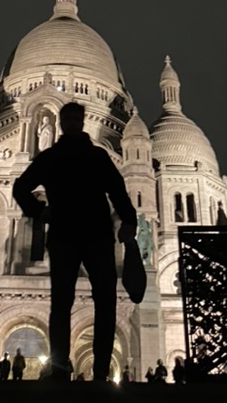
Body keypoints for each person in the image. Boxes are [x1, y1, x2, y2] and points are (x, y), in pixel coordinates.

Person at [12, 101, 138, 383]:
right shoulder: (63, 157)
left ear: (81, 122)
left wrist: (130, 221)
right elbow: (20, 187)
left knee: (102, 301)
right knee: (63, 302)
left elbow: (119, 191)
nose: (70, 123)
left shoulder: (90, 156)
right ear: (61, 123)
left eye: (74, 118)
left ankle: (100, 370)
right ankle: (60, 367)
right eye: (66, 119)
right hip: (75, 236)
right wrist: (39, 211)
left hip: (88, 236)